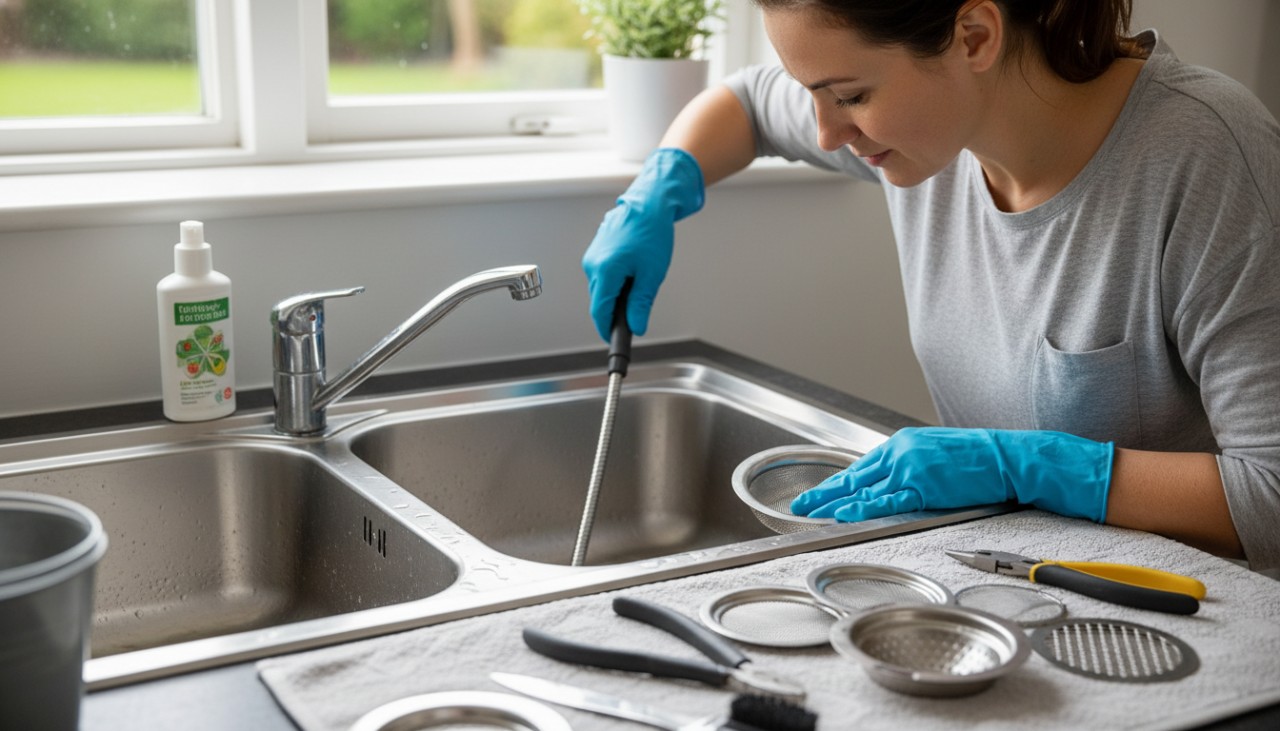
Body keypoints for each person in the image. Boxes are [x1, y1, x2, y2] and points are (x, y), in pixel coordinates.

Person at [580, 0, 1280, 573]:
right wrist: (658, 189)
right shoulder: (934, 134)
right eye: (813, 95)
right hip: (1002, 586)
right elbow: (749, 104)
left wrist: (1027, 464)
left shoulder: (1210, 155)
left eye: (851, 95)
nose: (826, 133)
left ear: (973, 36)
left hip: (1173, 626)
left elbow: (1271, 497)